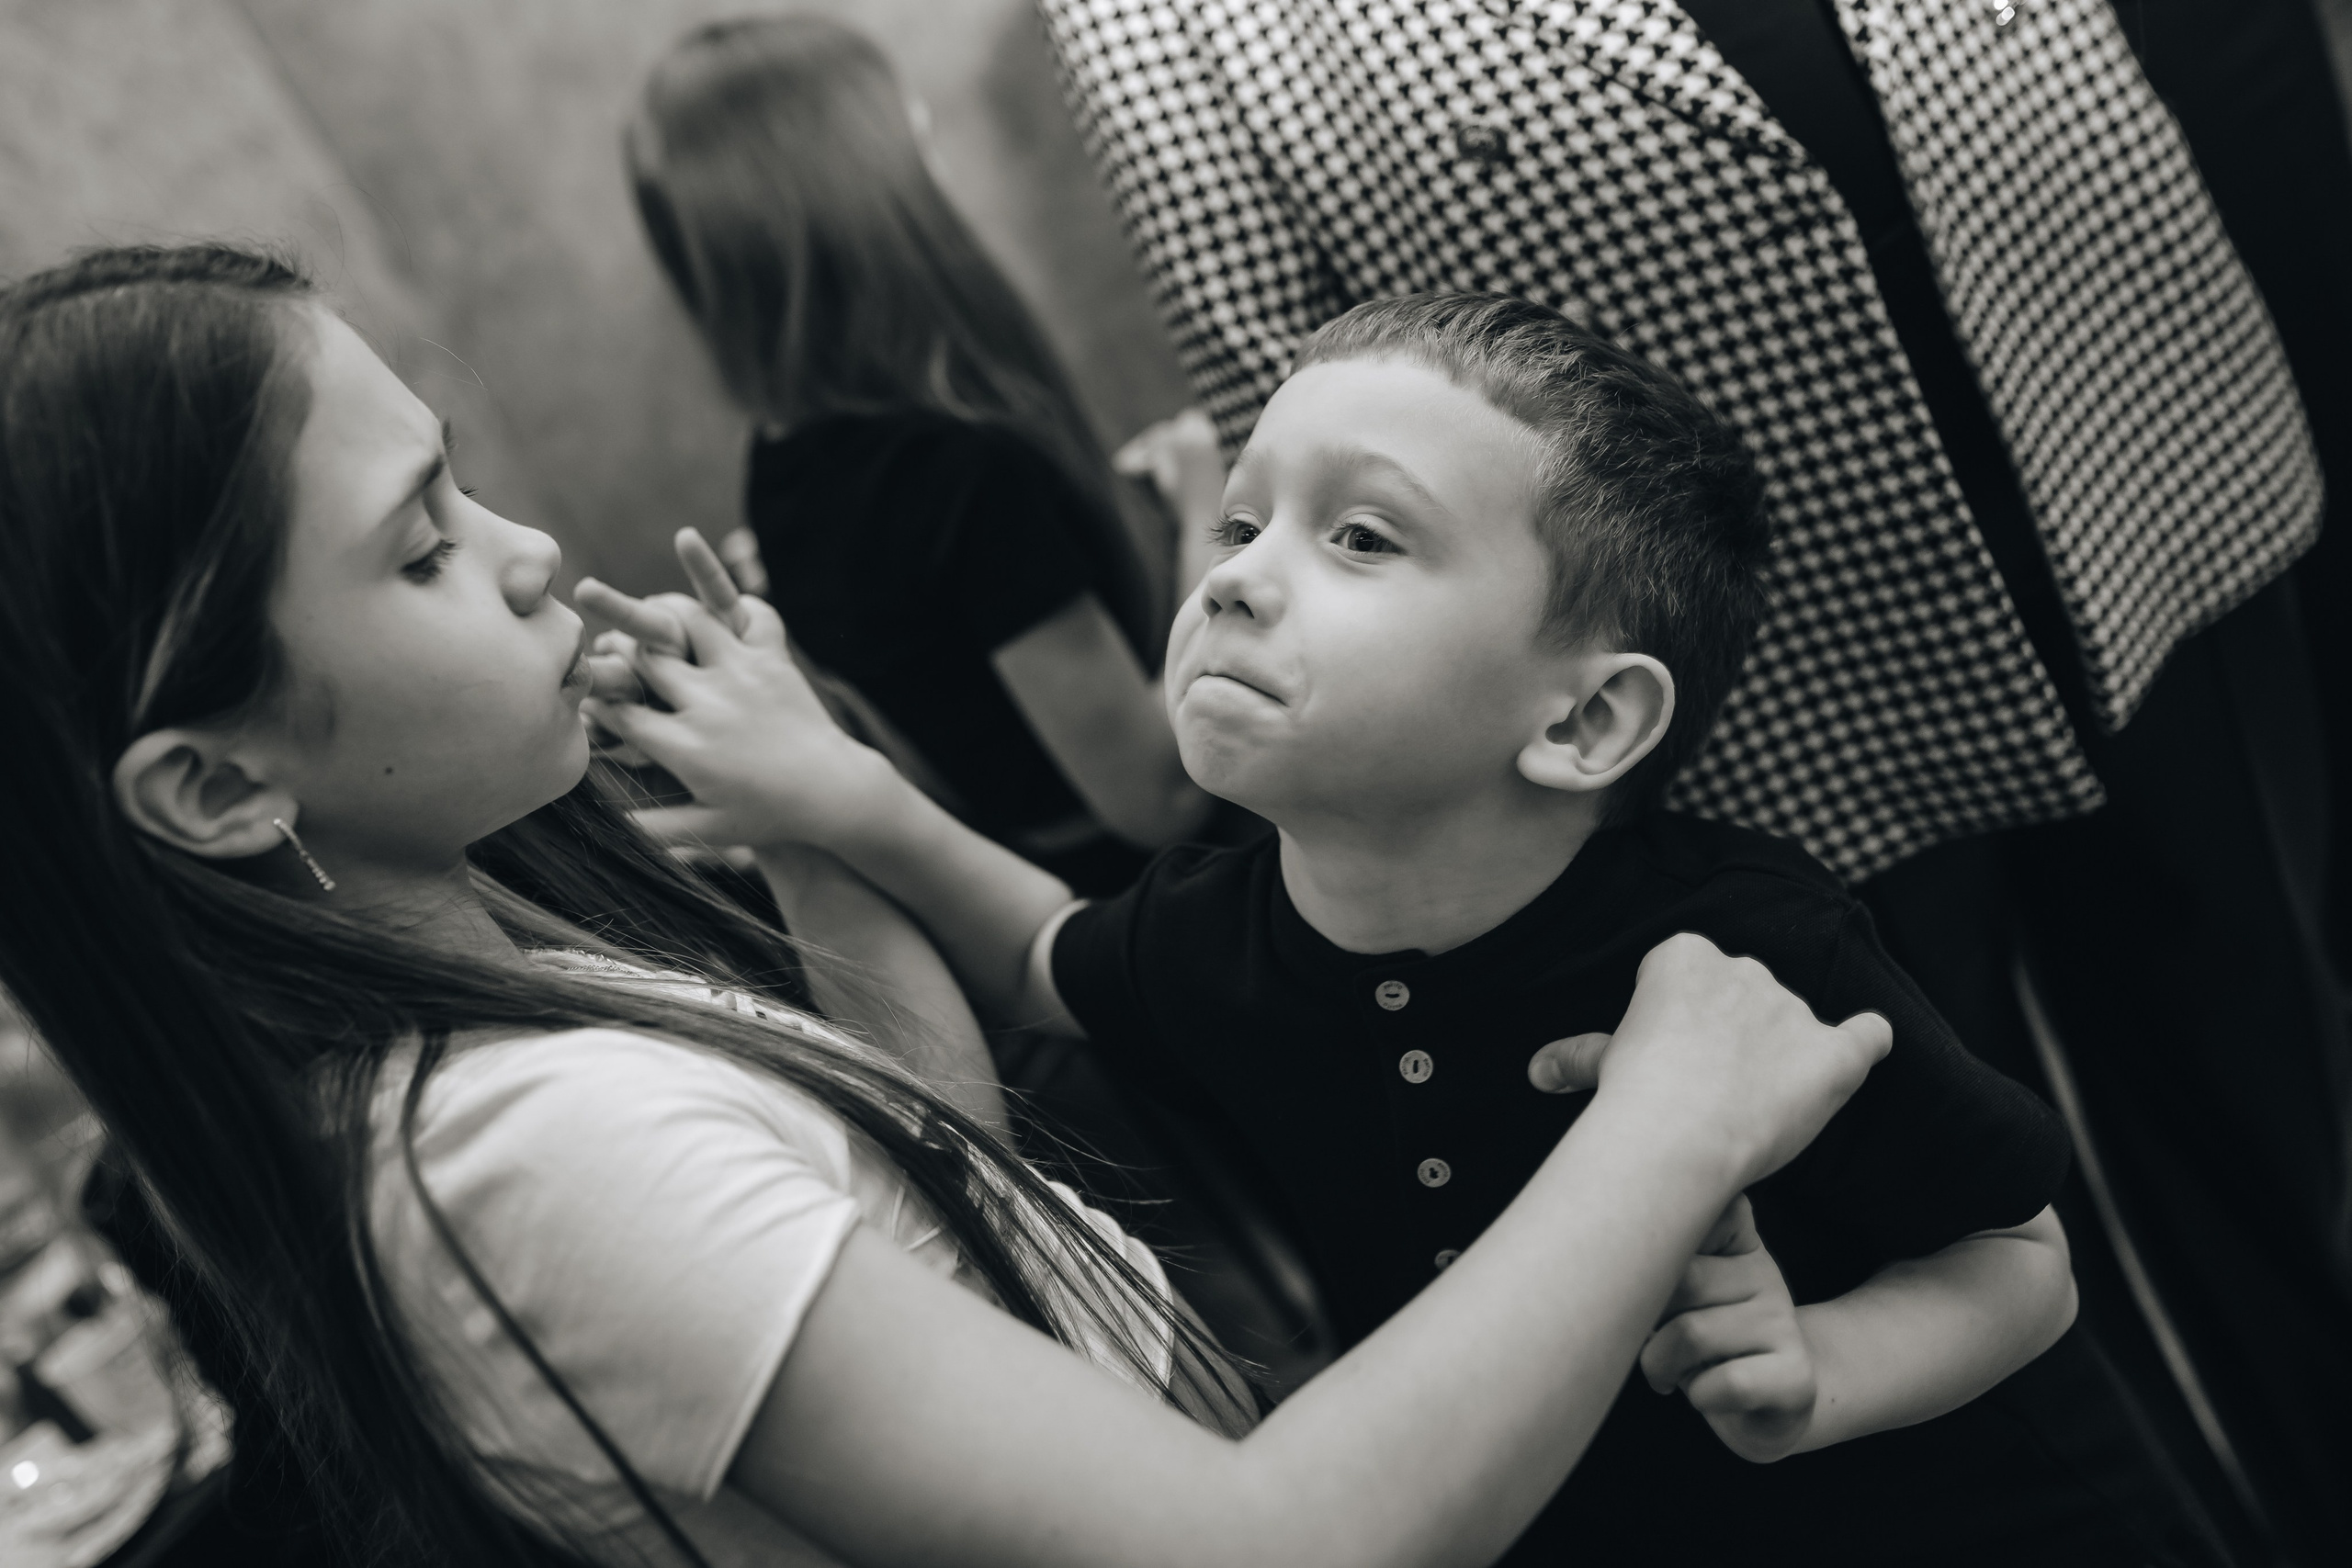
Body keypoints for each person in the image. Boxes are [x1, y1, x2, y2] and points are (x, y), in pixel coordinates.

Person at [0, 244, 1891, 1567]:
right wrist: (1663, 1124)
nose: (526, 554)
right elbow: (1269, 1543)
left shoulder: (491, 977)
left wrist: (823, 826)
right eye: (420, 545)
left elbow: (936, 1196)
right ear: (219, 782)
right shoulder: (526, 1151)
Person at [587, 293, 2197, 1565]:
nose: (1236, 582)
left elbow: (2018, 1256)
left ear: (1582, 722)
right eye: (1240, 526)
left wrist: (1825, 1363)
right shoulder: (1227, 924)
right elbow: (1045, 959)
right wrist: (830, 789)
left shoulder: (1745, 954)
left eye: (1361, 537)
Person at [1037, 2, 2350, 1558]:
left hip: (2115, 447)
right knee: (1908, 1204)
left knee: (2261, 1075)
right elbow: (1283, 367)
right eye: (1240, 538)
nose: (1239, 578)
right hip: (1736, 694)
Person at [625, 15, 1230, 897]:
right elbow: (1160, 795)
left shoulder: (784, 464)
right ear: (870, 198)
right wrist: (1207, 513)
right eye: (916, 147)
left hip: (1039, 879)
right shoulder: (966, 471)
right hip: (1167, 904)